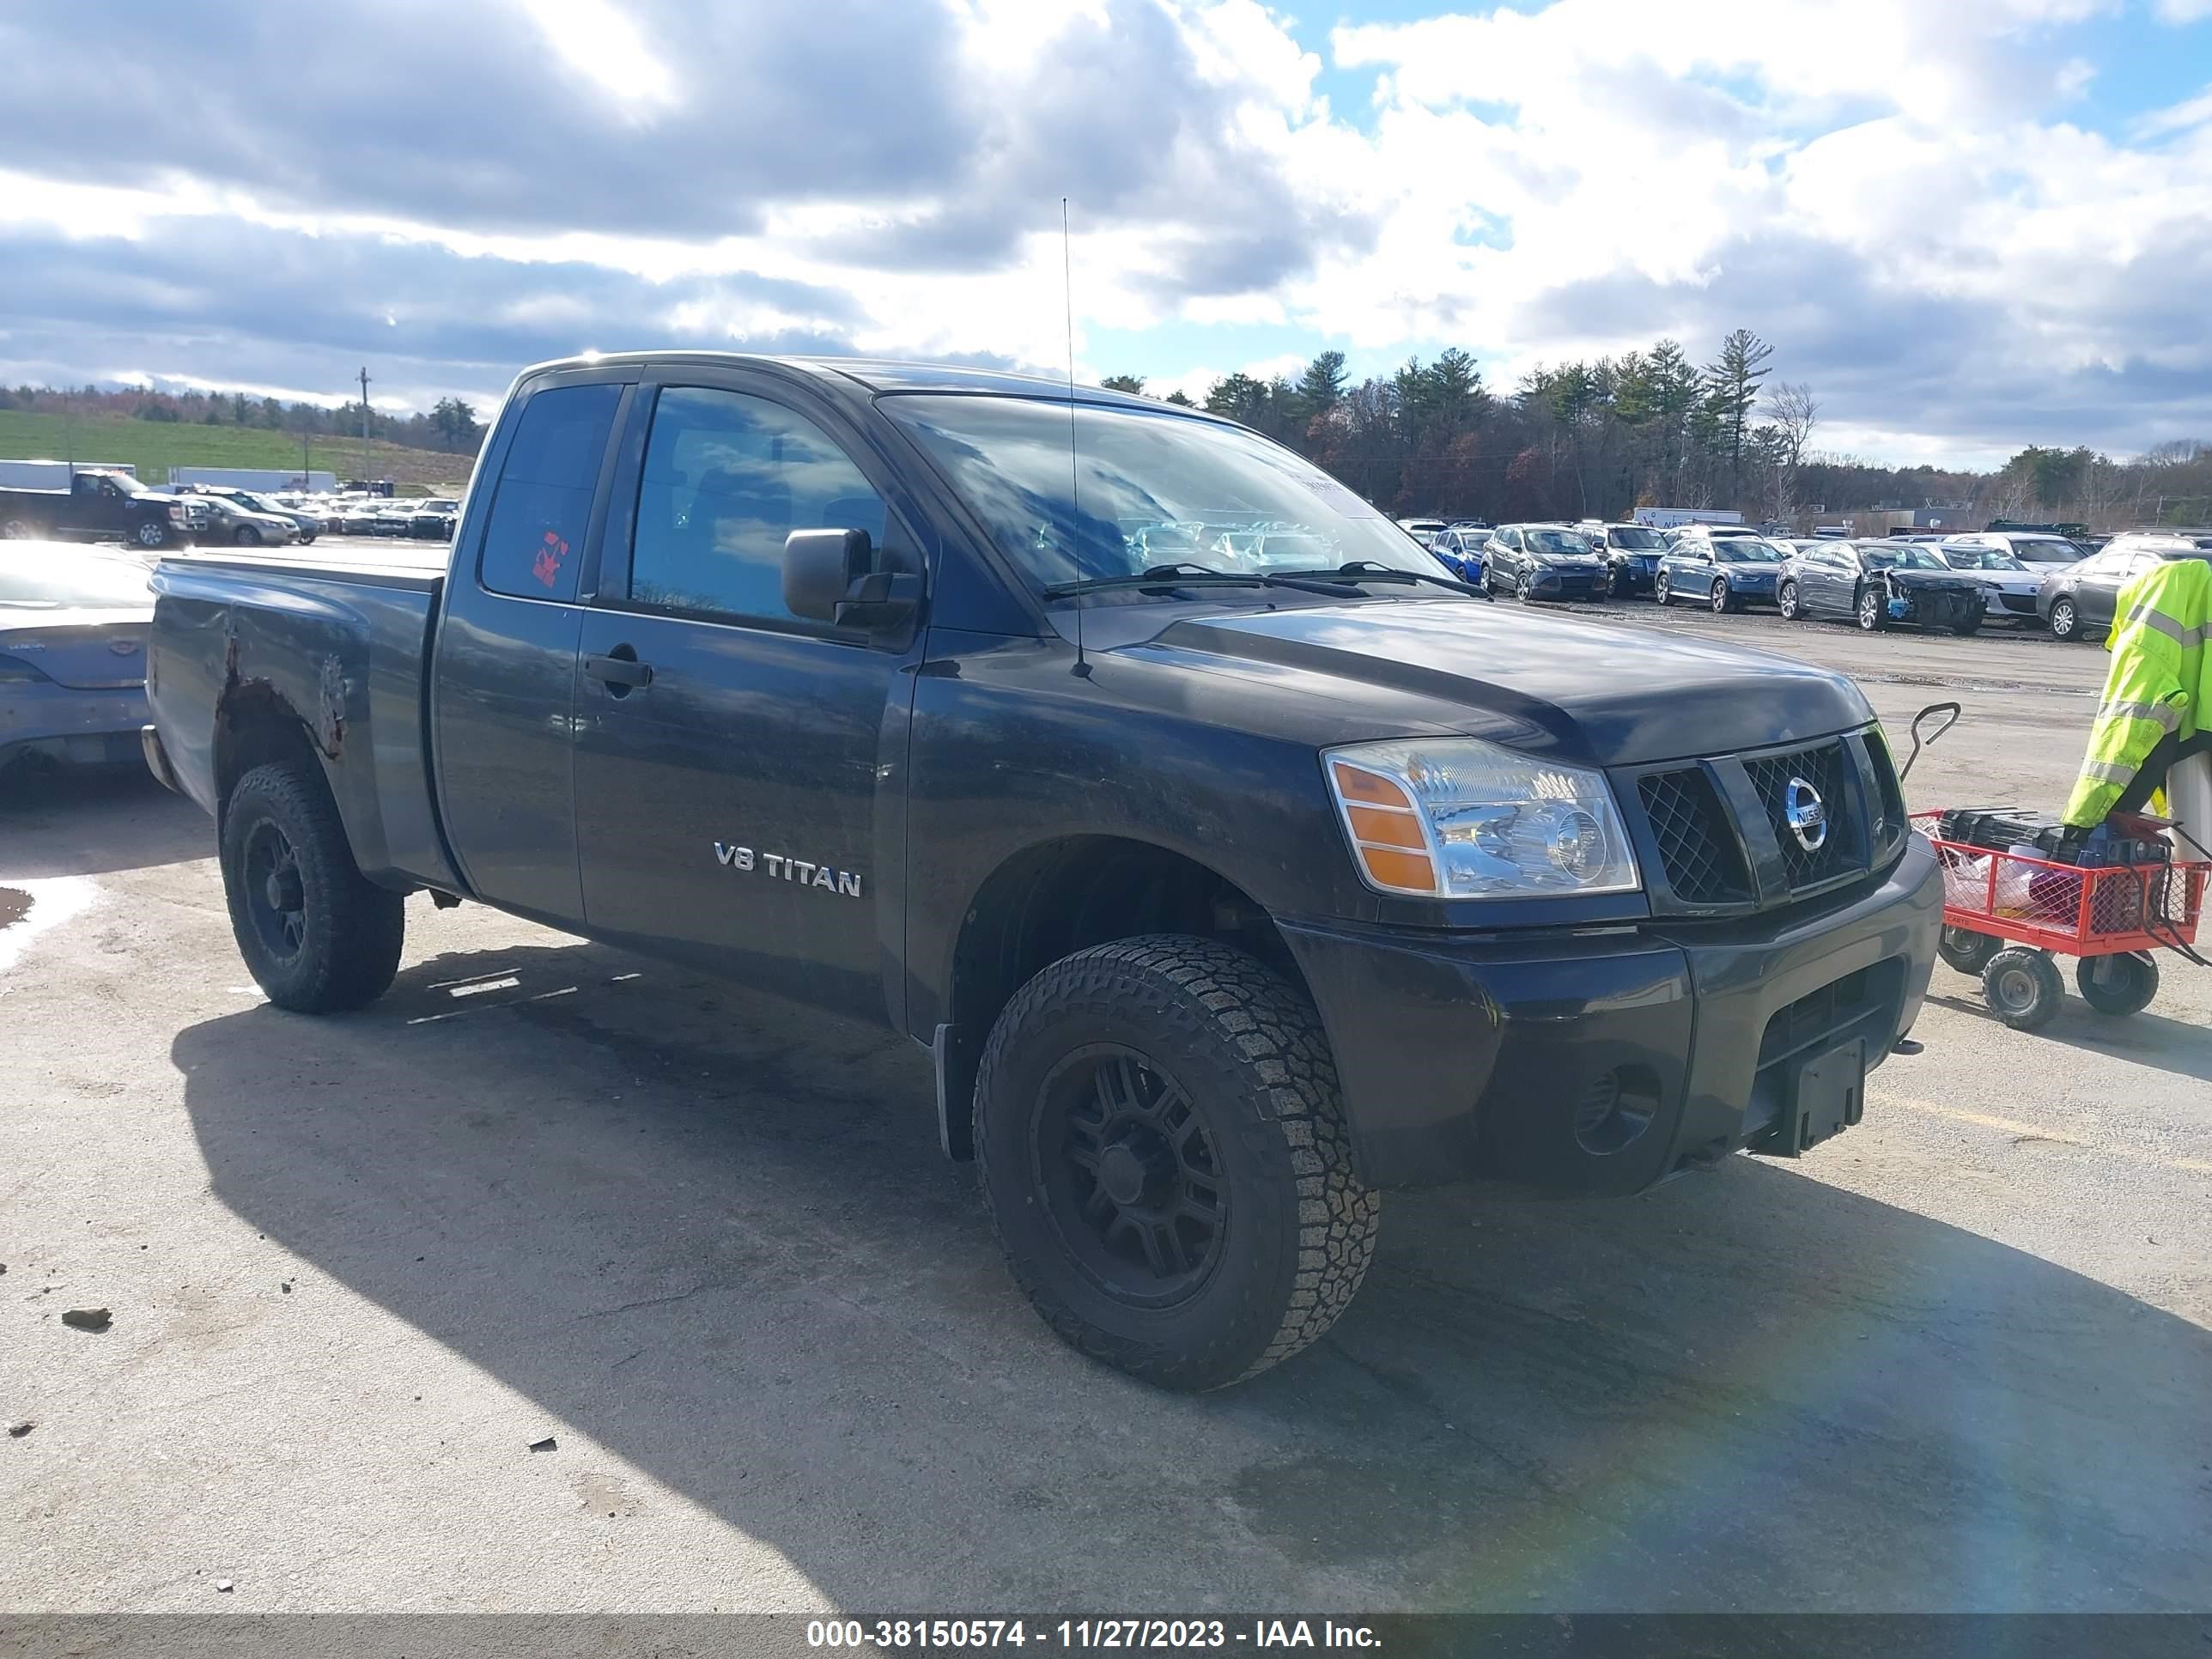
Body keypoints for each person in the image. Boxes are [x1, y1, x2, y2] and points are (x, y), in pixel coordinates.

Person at [2063, 555, 2212, 859]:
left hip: (2187, 743)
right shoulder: (2194, 601)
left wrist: (2081, 824)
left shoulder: (2149, 631)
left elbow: (2125, 737)